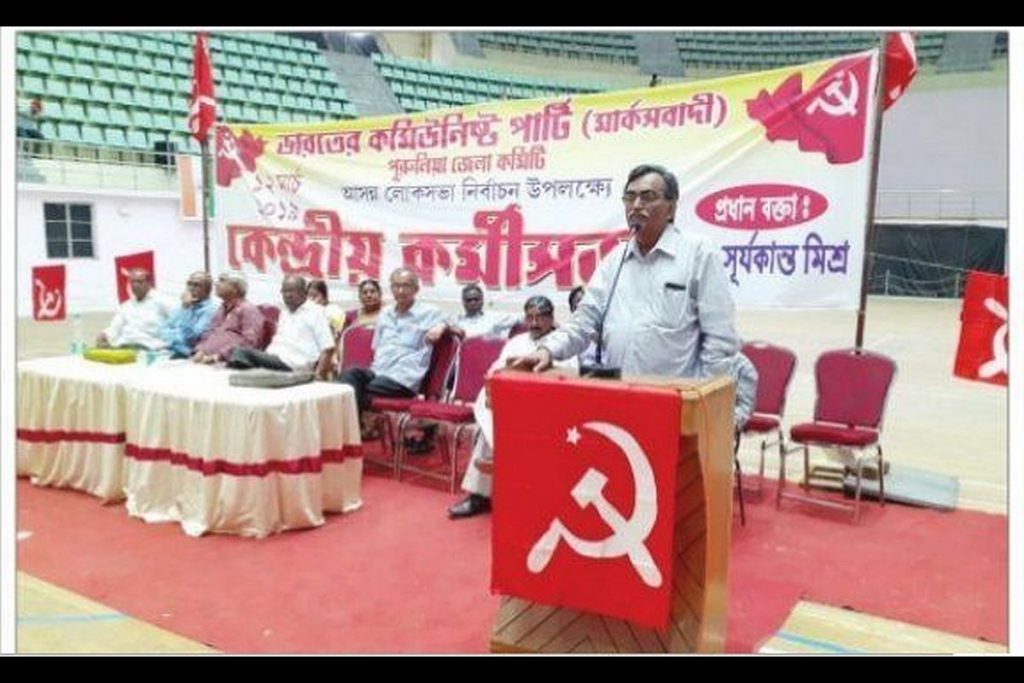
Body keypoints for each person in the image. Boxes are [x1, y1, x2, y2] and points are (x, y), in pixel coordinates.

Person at [510, 163, 740, 387]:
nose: (636, 205)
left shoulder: (698, 253)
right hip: (622, 394)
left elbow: (719, 338)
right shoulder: (615, 261)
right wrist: (547, 350)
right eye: (630, 197)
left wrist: (706, 394)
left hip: (677, 397)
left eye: (648, 197)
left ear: (671, 208)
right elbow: (584, 320)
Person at [448, 296, 577, 519]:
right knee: (490, 429)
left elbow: (569, 378)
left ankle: (538, 500)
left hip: (547, 411)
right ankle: (479, 497)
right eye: (530, 317)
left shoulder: (562, 342)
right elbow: (495, 371)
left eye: (540, 318)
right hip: (511, 406)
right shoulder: (516, 341)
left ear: (551, 318)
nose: (534, 323)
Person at [337, 268, 447, 416]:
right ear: (391, 288)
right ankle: (353, 424)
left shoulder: (429, 312)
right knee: (350, 374)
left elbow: (459, 327)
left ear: (416, 289)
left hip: (403, 379)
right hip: (378, 371)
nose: (400, 291)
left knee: (353, 390)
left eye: (406, 286)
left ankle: (351, 425)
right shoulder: (385, 313)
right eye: (396, 286)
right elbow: (377, 346)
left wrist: (442, 326)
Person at [226, 275, 335, 380]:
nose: (287, 295)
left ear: (304, 292)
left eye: (292, 291)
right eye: (284, 291)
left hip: (293, 365)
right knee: (237, 359)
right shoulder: (285, 312)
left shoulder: (316, 312)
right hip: (274, 360)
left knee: (241, 353)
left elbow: (328, 348)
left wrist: (318, 376)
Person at [192, 272, 265, 364]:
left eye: (222, 280)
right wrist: (200, 350)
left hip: (228, 363)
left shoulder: (248, 309)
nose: (216, 284)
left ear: (235, 288)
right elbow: (209, 332)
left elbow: (250, 342)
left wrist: (219, 356)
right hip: (205, 358)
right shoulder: (222, 308)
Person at [95, 268, 175, 350]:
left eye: (139, 281)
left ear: (149, 283)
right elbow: (115, 327)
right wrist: (105, 335)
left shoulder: (163, 301)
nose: (135, 285)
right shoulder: (126, 306)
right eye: (132, 282)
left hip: (151, 347)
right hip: (124, 345)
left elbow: (177, 322)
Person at [160, 272, 217, 359]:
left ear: (207, 290)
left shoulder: (210, 310)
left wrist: (186, 308)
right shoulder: (182, 306)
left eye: (196, 285)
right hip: (170, 349)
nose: (191, 288)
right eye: (189, 284)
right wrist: (177, 337)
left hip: (190, 355)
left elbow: (190, 338)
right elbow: (163, 330)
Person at [448, 283, 519, 340]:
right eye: (469, 300)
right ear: (463, 302)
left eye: (476, 299)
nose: (473, 302)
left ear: (482, 300)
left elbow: (521, 318)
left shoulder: (493, 317)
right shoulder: (456, 321)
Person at [568, 285, 598, 367]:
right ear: (573, 309)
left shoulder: (608, 331)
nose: (583, 305)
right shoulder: (572, 337)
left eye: (585, 301)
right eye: (578, 302)